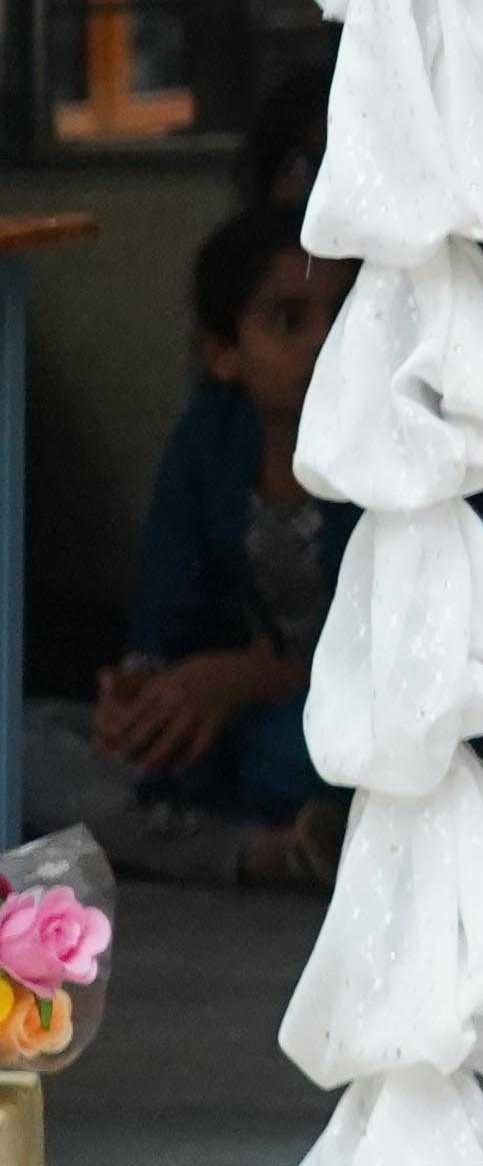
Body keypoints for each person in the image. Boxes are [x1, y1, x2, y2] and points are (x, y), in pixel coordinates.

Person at [23, 215, 350, 885]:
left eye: (349, 319)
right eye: (289, 321)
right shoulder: (209, 442)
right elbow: (166, 614)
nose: (327, 345)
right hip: (232, 721)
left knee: (296, 756)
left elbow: (416, 664)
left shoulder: (408, 456)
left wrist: (252, 678)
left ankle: (225, 831)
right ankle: (267, 850)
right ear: (223, 353)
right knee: (22, 743)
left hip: (338, 720)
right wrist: (140, 693)